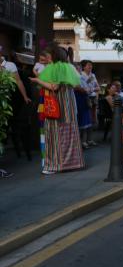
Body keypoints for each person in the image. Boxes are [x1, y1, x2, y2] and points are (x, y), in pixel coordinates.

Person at [29, 43, 85, 174]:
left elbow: (54, 87)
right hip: (67, 104)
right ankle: (72, 163)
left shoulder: (56, 68)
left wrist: (37, 81)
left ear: (54, 56)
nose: (47, 59)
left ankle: (55, 165)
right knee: (68, 131)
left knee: (54, 133)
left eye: (49, 57)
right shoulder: (68, 67)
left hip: (57, 105)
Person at [74, 63, 94, 149]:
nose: (78, 70)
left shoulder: (82, 76)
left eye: (79, 68)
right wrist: (85, 90)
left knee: (85, 121)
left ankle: (84, 141)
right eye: (77, 68)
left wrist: (87, 90)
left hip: (83, 99)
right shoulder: (75, 76)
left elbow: (89, 86)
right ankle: (80, 142)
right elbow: (76, 87)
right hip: (78, 99)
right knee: (80, 121)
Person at [80, 60, 100, 127]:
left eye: (91, 65)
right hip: (85, 96)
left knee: (94, 113)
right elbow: (83, 88)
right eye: (88, 65)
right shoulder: (81, 75)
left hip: (93, 96)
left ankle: (93, 126)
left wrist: (92, 89)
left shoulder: (93, 75)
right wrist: (92, 89)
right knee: (87, 113)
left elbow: (98, 87)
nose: (90, 66)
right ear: (84, 67)